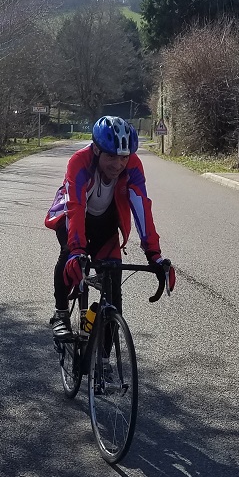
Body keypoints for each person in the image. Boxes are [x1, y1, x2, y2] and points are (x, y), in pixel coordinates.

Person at [43, 115, 175, 337]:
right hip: (73, 216)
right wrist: (77, 250)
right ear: (96, 150)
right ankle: (61, 313)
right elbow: (75, 206)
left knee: (113, 287)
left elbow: (142, 205)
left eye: (124, 157)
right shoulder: (80, 161)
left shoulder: (133, 166)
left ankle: (103, 359)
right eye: (112, 157)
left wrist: (154, 254)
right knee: (68, 255)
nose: (118, 164)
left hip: (105, 223)